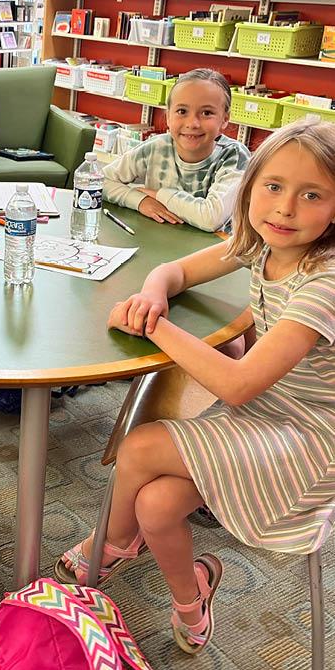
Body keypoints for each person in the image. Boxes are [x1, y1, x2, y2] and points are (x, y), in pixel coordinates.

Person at [57, 118, 335, 654]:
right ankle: (193, 597)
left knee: (140, 445)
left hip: (310, 441)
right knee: (157, 505)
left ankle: (109, 545)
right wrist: (153, 294)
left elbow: (237, 385)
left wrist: (154, 326)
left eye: (312, 195)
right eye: (273, 187)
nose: (284, 208)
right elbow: (172, 271)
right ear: (249, 187)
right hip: (270, 411)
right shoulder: (261, 247)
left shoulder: (323, 283)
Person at [103, 69, 251, 232]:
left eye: (207, 113)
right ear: (168, 116)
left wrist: (158, 194)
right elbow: (100, 180)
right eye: (182, 111)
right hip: (160, 241)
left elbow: (210, 218)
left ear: (225, 119)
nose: (192, 123)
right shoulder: (156, 147)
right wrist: (140, 201)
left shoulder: (234, 156)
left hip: (212, 251)